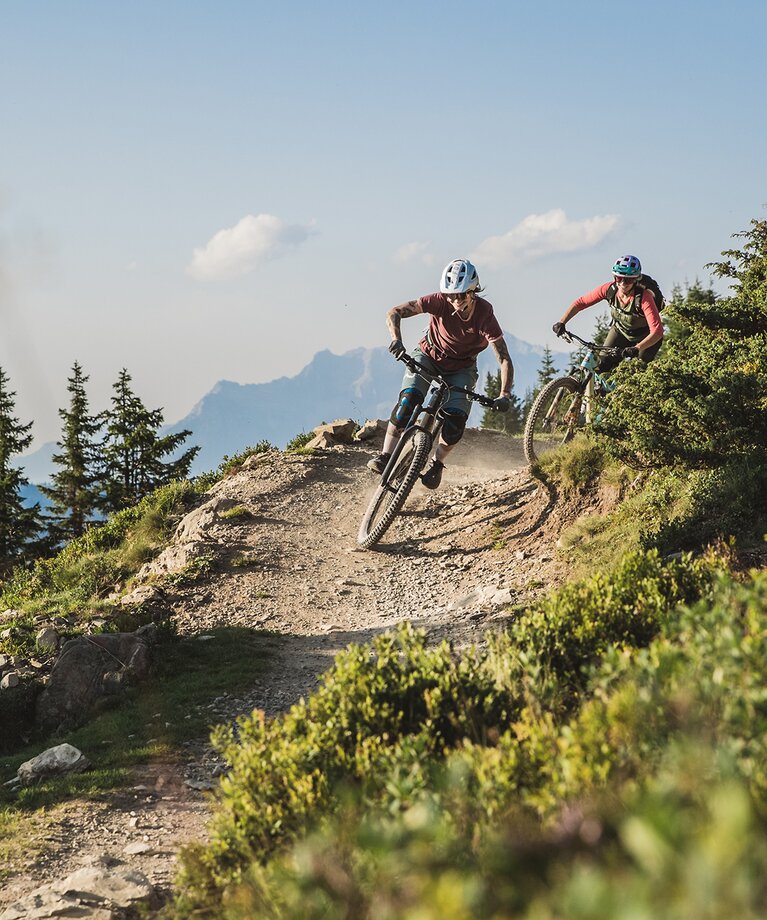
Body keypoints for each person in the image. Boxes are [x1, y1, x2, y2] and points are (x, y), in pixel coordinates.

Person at [368, 258, 514, 490]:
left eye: (461, 294)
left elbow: (504, 358)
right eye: (450, 294)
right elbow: (394, 312)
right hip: (428, 355)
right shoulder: (438, 301)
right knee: (408, 402)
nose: (455, 300)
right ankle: (386, 455)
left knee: (455, 423)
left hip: (462, 368)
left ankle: (437, 464)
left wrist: (504, 394)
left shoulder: (485, 315)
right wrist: (396, 339)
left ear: (473, 290)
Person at [552, 254, 664, 371]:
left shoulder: (644, 298)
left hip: (646, 338)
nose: (622, 283)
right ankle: (600, 389)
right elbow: (581, 303)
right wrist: (562, 322)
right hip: (620, 331)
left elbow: (657, 332)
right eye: (619, 278)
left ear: (635, 279)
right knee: (603, 363)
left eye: (628, 280)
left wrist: (637, 348)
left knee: (637, 370)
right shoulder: (609, 290)